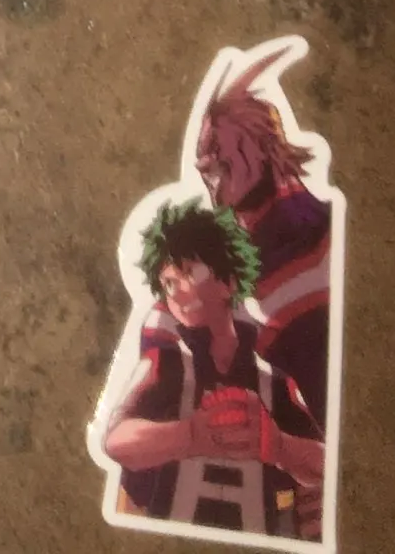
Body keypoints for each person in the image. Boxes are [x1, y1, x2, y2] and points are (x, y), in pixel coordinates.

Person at [101, 201, 324, 537]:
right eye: (168, 283)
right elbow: (115, 440)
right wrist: (190, 436)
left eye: (190, 273)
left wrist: (280, 446)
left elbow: (326, 465)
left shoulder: (275, 382)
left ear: (228, 281)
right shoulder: (164, 364)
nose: (178, 292)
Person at [194, 50, 337, 430]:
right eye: (209, 162)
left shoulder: (314, 226)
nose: (211, 169)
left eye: (220, 153)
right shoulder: (240, 256)